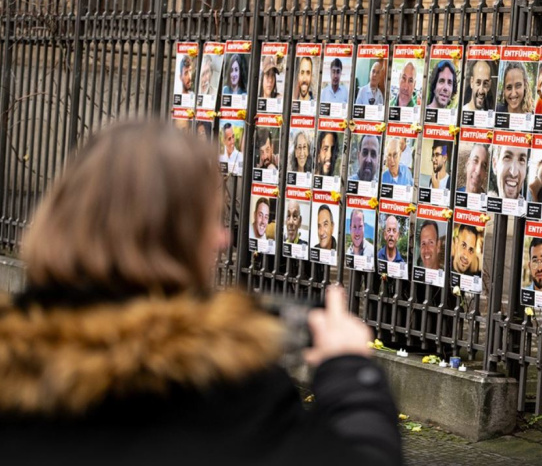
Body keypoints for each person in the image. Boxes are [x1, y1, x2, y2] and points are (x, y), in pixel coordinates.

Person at [0, 122, 402, 465]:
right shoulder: (230, 395)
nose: (223, 238)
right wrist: (352, 376)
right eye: (209, 219)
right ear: (168, 235)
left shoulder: (13, 370)